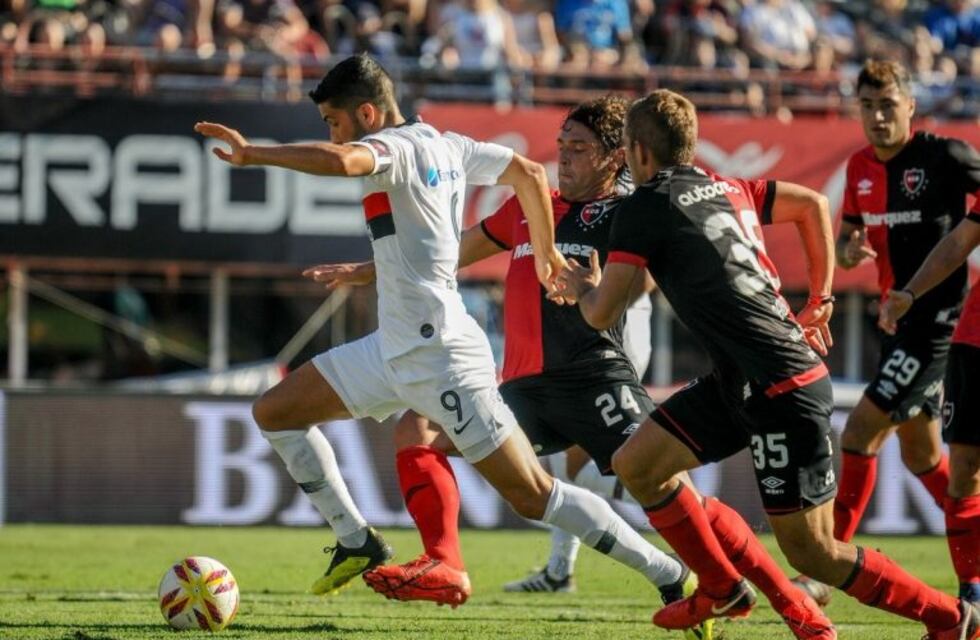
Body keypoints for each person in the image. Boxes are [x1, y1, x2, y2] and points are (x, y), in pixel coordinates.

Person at [312, 95, 834, 640]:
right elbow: (451, 254)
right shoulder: (526, 209)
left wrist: (603, 280)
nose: (565, 157)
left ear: (616, 158)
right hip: (522, 389)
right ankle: (444, 562)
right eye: (561, 146)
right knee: (416, 431)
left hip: (594, 381)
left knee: (679, 494)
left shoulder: (629, 214)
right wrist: (366, 270)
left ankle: (789, 603)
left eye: (580, 148)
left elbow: (652, 279)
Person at [194, 54, 697, 607]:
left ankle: (668, 573)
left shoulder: (397, 146)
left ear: (367, 113)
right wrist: (547, 253)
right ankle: (357, 541)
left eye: (334, 122)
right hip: (395, 346)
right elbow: (529, 174)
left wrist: (252, 154)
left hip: (442, 356)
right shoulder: (449, 143)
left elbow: (343, 163)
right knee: (276, 413)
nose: (333, 134)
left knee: (533, 495)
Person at [556, 88, 980, 639]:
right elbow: (810, 205)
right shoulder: (726, 185)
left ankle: (951, 619)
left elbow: (600, 313)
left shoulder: (645, 206)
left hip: (782, 385)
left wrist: (583, 286)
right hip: (743, 378)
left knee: (815, 551)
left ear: (637, 152)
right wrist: (821, 296)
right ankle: (721, 586)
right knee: (638, 463)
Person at [832, 60, 979, 566]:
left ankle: (828, 565)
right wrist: (848, 253)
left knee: (858, 432)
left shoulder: (945, 156)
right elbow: (846, 243)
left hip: (941, 322)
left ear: (910, 106)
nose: (877, 117)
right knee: (921, 455)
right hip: (895, 320)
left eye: (888, 105)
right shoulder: (858, 167)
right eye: (868, 106)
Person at [880, 212, 980, 601]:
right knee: (965, 468)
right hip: (974, 342)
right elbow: (958, 243)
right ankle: (971, 595)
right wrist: (910, 292)